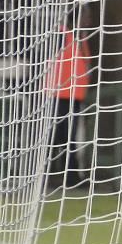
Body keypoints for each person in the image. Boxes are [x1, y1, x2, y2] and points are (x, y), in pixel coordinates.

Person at [45, 10, 92, 190]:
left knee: (67, 138)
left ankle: (70, 177)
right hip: (58, 95)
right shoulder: (62, 34)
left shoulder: (81, 38)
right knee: (54, 137)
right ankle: (46, 177)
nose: (88, 20)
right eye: (85, 17)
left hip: (73, 95)